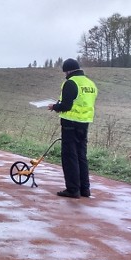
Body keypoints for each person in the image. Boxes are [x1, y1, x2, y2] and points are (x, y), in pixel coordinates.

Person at [48, 58, 97, 198]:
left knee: (70, 156)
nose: (65, 75)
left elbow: (66, 106)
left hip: (70, 123)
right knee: (81, 156)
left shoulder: (70, 83)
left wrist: (54, 107)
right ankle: (84, 189)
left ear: (68, 70)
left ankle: (73, 189)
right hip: (84, 123)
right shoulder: (90, 83)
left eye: (65, 72)